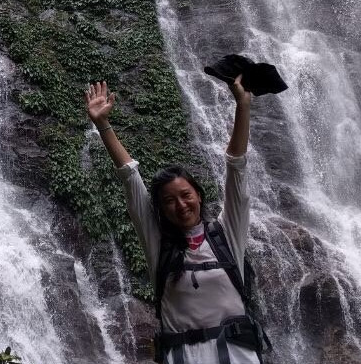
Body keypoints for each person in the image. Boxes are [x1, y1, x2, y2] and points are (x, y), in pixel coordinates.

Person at [85, 77, 266, 364]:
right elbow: (130, 179)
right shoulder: (158, 245)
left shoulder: (227, 234)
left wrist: (242, 106)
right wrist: (102, 124)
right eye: (169, 201)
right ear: (160, 209)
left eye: (186, 195)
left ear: (199, 196)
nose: (181, 205)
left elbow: (236, 168)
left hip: (237, 355)